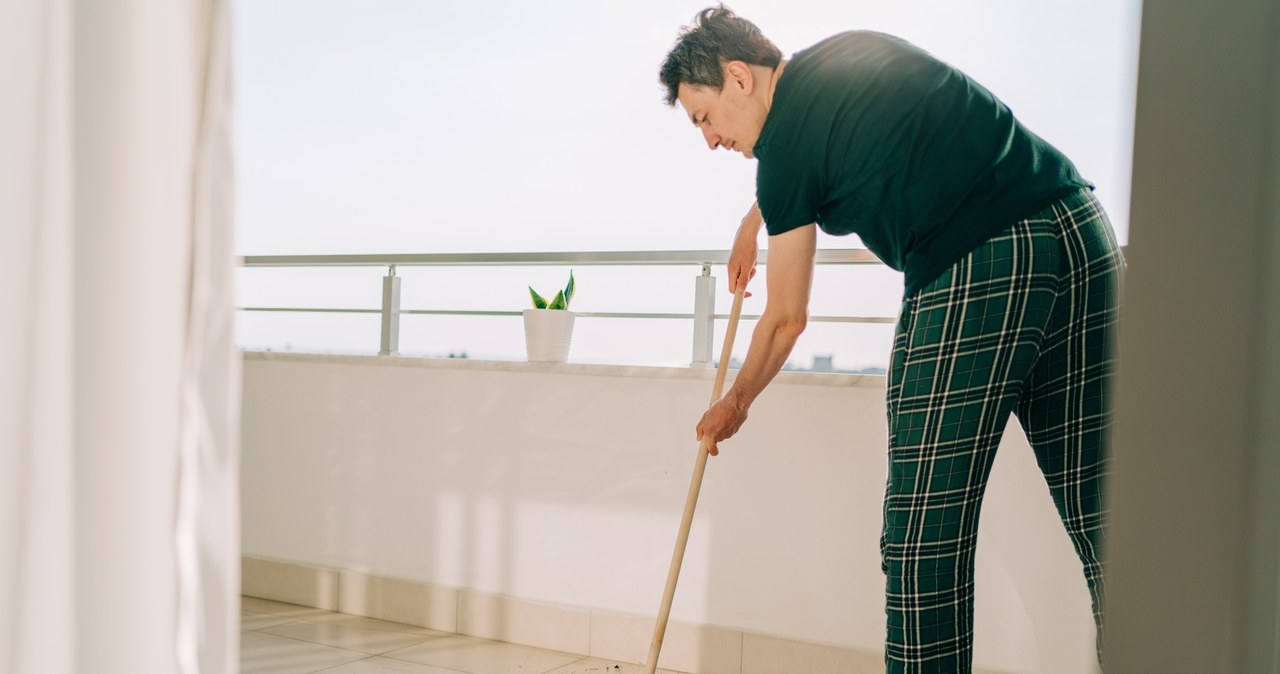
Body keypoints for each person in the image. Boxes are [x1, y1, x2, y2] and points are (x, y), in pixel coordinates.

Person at [659, 5, 1123, 673]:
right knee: (1105, 511)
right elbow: (826, 147)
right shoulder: (849, 53)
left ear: (738, 78)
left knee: (921, 542)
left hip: (981, 260)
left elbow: (786, 317)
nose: (708, 141)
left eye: (703, 117)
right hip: (1079, 228)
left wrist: (734, 403)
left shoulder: (785, 155)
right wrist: (756, 213)